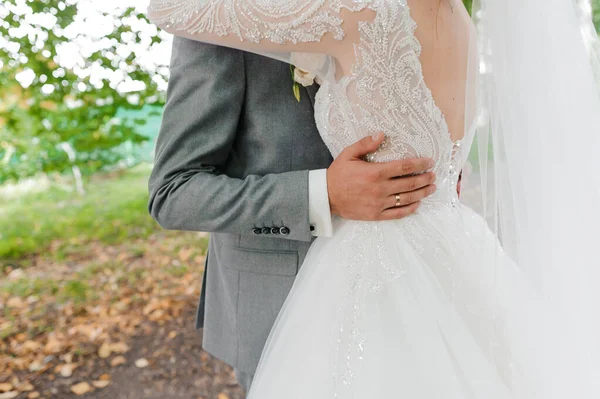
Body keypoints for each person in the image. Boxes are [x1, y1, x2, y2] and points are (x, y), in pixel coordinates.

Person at [146, 0, 600, 397]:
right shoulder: (457, 17)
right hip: (285, 299)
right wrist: (322, 193)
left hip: (404, 278)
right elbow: (174, 191)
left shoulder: (376, 12)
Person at [148, 38, 437, 392]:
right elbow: (174, 192)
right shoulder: (216, 19)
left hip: (398, 282)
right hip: (279, 307)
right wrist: (322, 195)